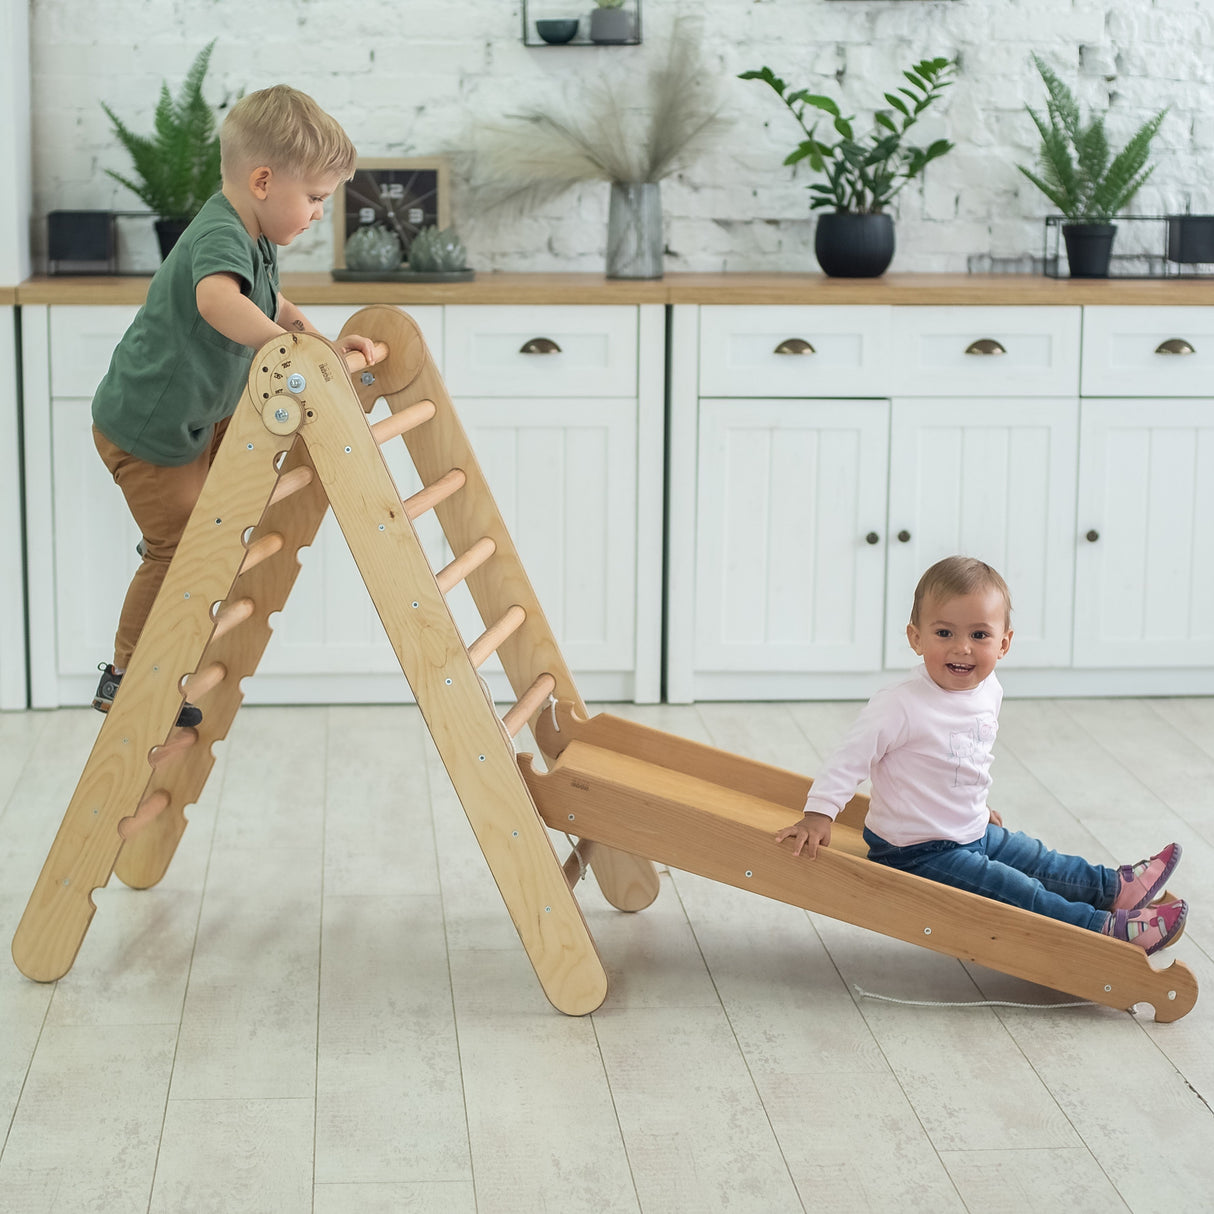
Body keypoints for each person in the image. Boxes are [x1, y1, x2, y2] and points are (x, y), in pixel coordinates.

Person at [91, 84, 377, 726]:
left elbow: (275, 307)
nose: (316, 215)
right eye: (314, 199)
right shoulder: (221, 230)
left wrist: (322, 349)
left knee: (218, 529)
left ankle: (171, 664)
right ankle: (128, 677)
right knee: (176, 547)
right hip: (149, 427)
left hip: (198, 420)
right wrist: (285, 353)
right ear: (263, 180)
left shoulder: (256, 238)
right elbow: (217, 302)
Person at [775, 555, 1187, 955]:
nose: (962, 649)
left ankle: (1113, 889)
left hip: (968, 827)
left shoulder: (989, 690)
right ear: (915, 637)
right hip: (915, 850)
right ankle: (1099, 930)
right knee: (1016, 889)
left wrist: (975, 805)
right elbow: (849, 759)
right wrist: (819, 814)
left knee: (1037, 857)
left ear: (1003, 643)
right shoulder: (899, 705)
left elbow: (964, 758)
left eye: (979, 635)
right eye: (943, 634)